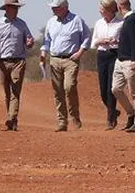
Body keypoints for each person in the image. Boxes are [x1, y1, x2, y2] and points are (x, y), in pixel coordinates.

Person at [41, 0, 91, 132]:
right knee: (58, 91)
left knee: (69, 87)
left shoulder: (77, 20)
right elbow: (46, 40)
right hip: (54, 59)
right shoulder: (51, 22)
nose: (53, 10)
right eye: (52, 7)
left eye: (56, 7)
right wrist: (43, 53)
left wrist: (80, 52)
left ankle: (75, 116)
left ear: (64, 7)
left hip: (71, 59)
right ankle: (62, 121)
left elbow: (87, 37)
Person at [0, 0, 34, 131]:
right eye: (14, 7)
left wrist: (30, 43)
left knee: (15, 89)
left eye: (17, 7)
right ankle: (12, 120)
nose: (17, 10)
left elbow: (29, 41)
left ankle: (11, 117)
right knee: (7, 93)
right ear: (7, 8)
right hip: (3, 62)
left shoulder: (22, 24)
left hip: (18, 61)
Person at [112, 0, 135, 133]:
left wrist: (134, 60)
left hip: (130, 61)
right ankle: (131, 113)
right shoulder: (127, 20)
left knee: (134, 92)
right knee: (116, 89)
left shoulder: (132, 19)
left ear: (120, 6)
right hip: (120, 61)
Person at [91, 0, 124, 130]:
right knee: (103, 90)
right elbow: (93, 43)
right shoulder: (98, 23)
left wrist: (116, 41)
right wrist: (100, 41)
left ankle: (110, 118)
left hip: (114, 55)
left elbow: (125, 41)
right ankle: (113, 111)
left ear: (110, 10)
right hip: (102, 55)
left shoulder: (121, 23)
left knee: (111, 87)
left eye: (102, 9)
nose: (100, 11)